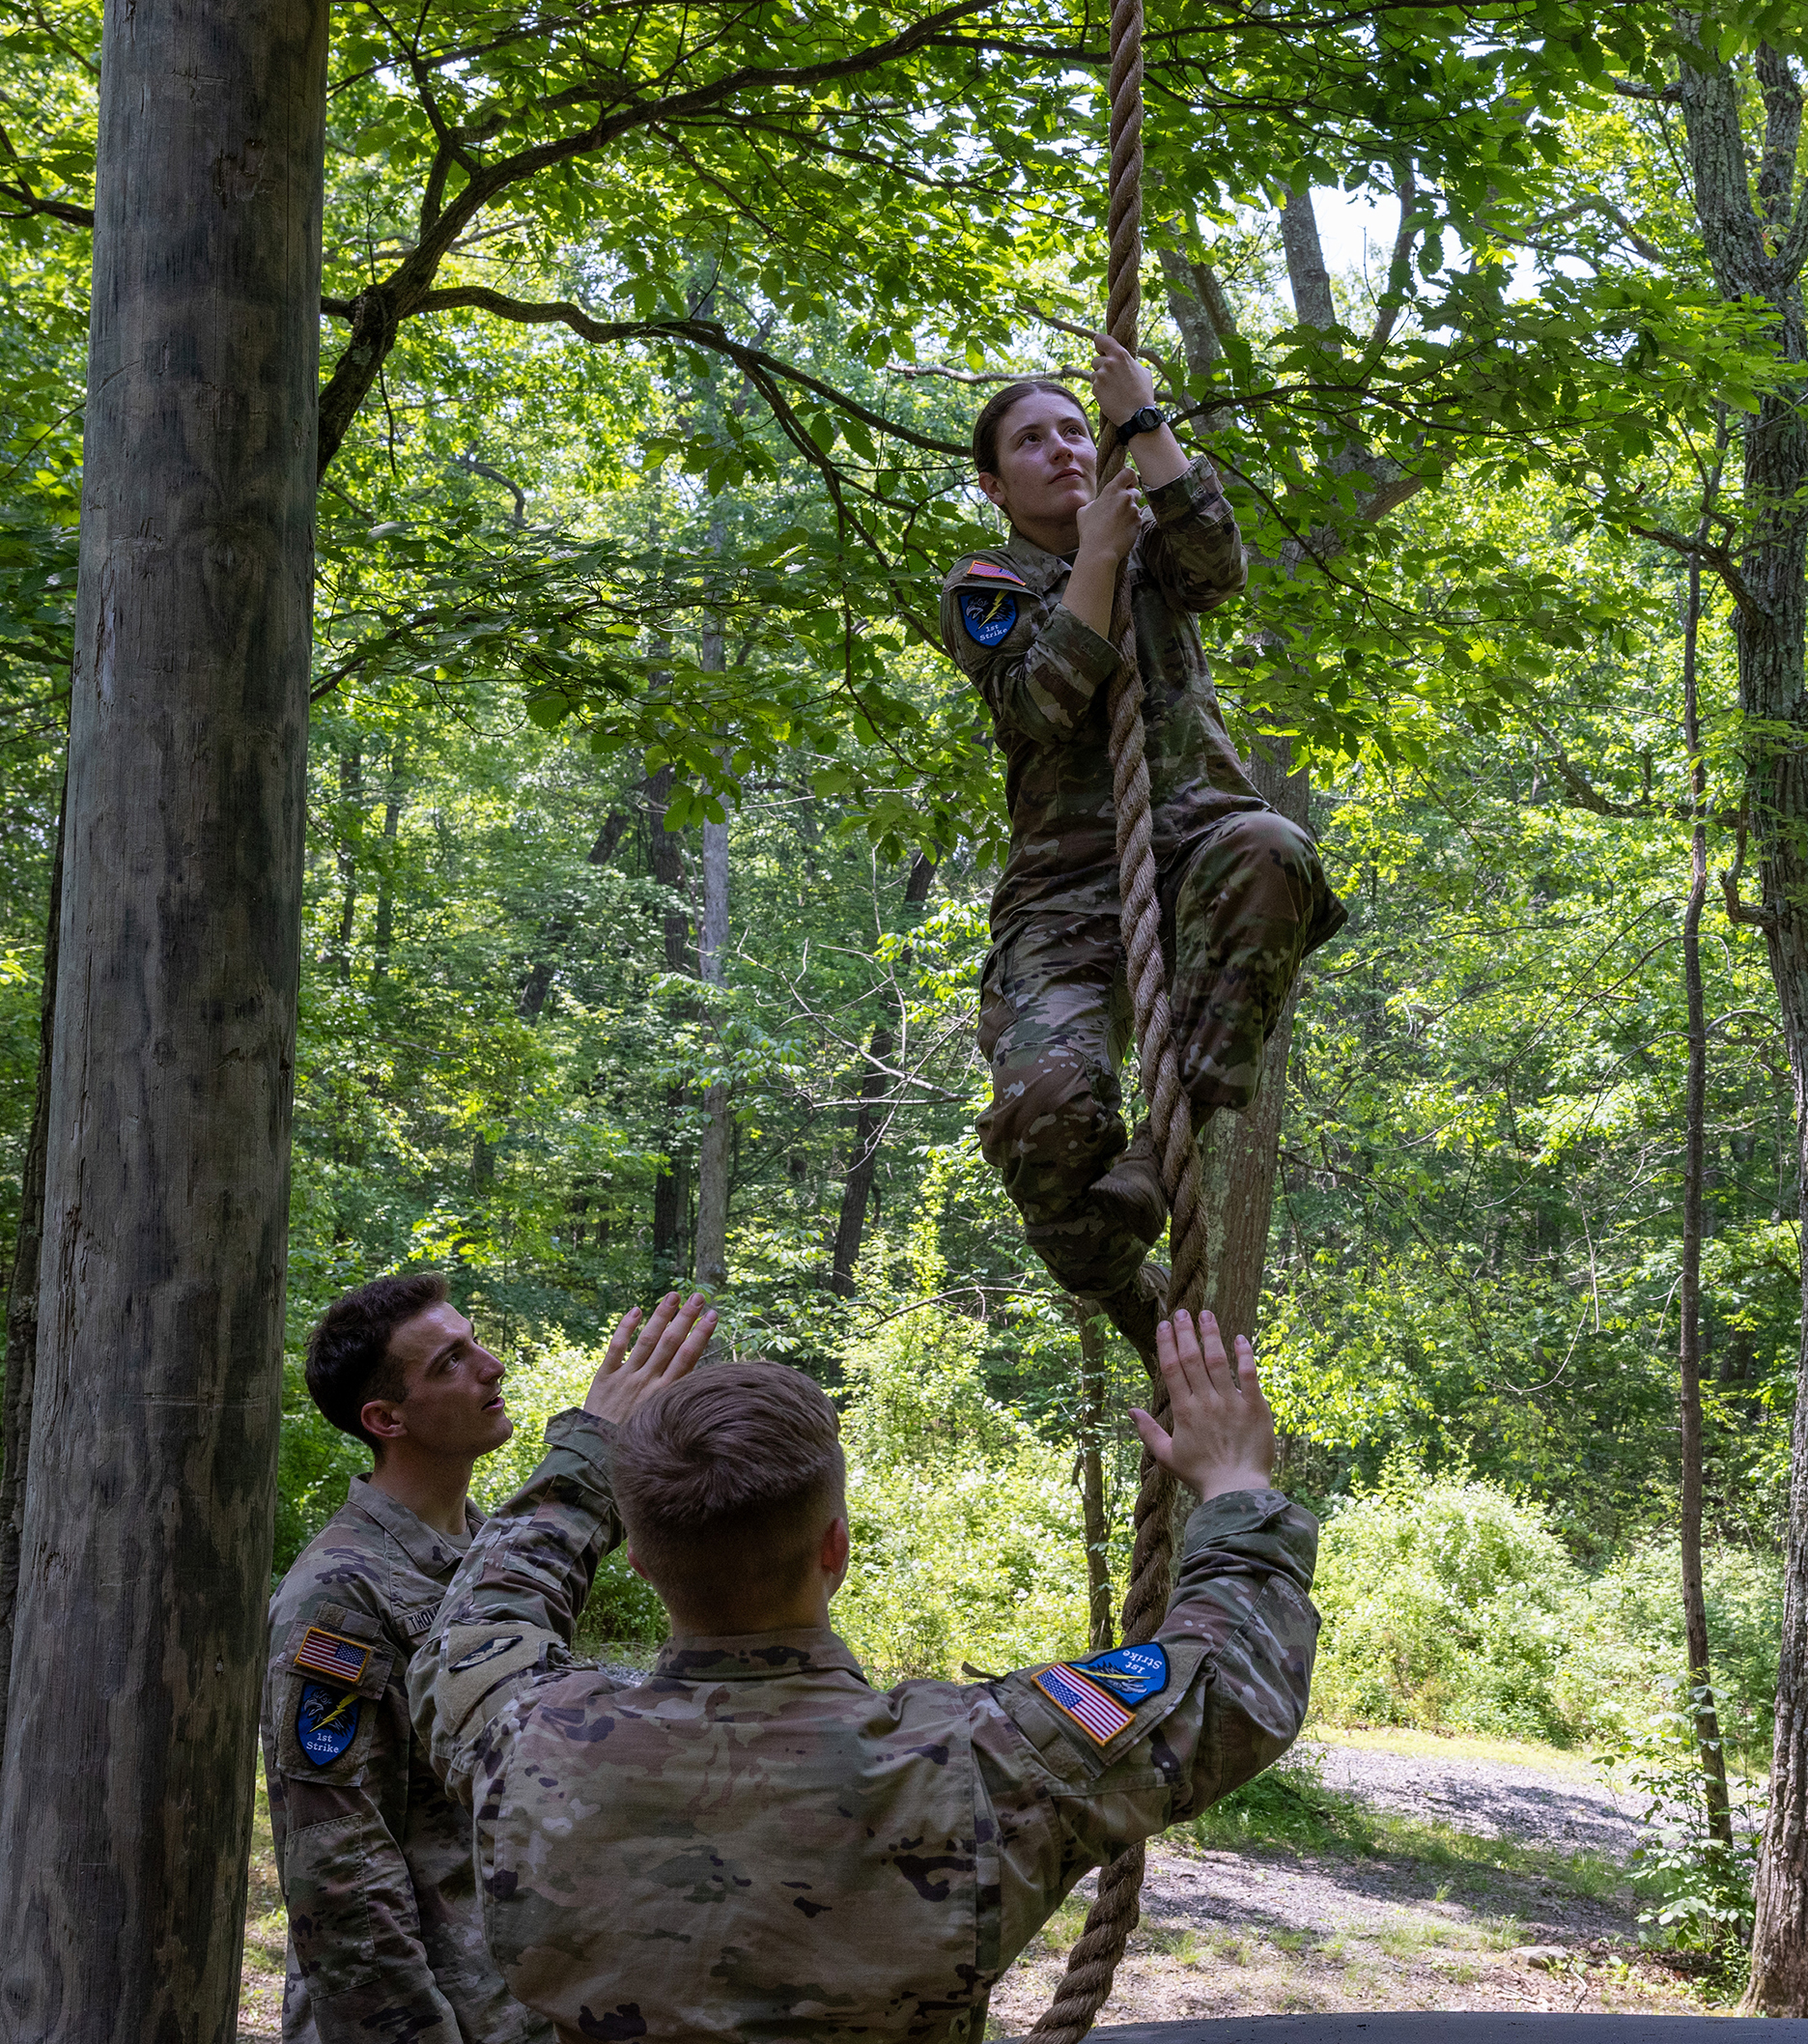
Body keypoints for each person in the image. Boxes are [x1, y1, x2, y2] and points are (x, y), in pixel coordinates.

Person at [410, 1292, 1317, 2043]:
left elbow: (477, 1622)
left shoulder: (525, 1740)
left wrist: (585, 1454)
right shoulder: (984, 1762)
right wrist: (1235, 1484)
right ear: (835, 1547)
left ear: (640, 1564)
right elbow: (1235, 1684)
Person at [940, 334, 1345, 1360]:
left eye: (1076, 430)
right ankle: (1120, 1280)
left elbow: (1217, 567)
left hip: (1195, 837)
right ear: (995, 483)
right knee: (1047, 1107)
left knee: (1272, 845)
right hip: (1067, 890)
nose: (1064, 450)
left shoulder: (1146, 523)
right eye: (1032, 441)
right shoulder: (986, 583)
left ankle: (1164, 1159)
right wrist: (1100, 559)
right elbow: (1045, 701)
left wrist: (1147, 420)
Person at [264, 1273, 545, 2044]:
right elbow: (339, 1877)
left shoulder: (489, 1558)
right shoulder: (340, 1596)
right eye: (450, 1362)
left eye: (475, 1342)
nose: (491, 1367)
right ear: (386, 1418)